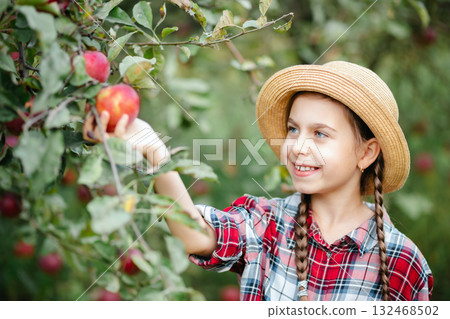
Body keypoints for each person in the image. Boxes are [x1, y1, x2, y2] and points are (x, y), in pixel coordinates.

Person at [83, 61, 433, 301]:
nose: (297, 147)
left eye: (321, 134)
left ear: (366, 153)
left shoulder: (403, 263)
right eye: (294, 129)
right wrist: (154, 152)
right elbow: (197, 236)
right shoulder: (266, 223)